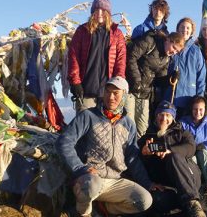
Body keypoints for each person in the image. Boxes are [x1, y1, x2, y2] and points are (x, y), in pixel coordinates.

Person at [55, 77, 156, 217]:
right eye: (107, 92)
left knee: (145, 200)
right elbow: (64, 142)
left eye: (116, 93)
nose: (111, 97)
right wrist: (79, 168)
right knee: (91, 186)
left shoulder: (129, 124)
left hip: (116, 181)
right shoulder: (88, 116)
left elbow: (133, 158)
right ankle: (82, 212)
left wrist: (148, 183)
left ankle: (104, 209)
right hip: (90, 178)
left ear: (124, 96)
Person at [139, 100, 206, 217]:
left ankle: (192, 202)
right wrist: (144, 154)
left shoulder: (182, 133)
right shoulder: (147, 138)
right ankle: (187, 203)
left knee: (173, 157)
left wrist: (170, 151)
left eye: (168, 115)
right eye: (161, 114)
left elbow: (191, 147)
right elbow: (138, 164)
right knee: (156, 200)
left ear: (173, 118)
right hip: (168, 186)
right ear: (156, 116)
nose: (164, 119)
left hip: (189, 178)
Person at [67, 0, 126, 112]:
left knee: (105, 127)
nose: (99, 13)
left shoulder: (116, 34)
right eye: (96, 10)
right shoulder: (82, 31)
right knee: (83, 126)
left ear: (108, 13)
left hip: (108, 92)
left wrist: (118, 84)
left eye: (103, 10)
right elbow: (73, 57)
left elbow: (121, 60)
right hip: (86, 89)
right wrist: (75, 82)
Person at [125, 31, 185, 137]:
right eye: (174, 47)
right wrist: (136, 80)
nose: (174, 52)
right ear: (168, 40)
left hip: (145, 93)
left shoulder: (166, 58)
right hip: (130, 89)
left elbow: (159, 80)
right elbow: (131, 56)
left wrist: (170, 78)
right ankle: (126, 151)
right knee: (128, 124)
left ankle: (137, 151)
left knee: (142, 127)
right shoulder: (150, 42)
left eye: (177, 51)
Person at [165, 18, 206, 116]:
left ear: (192, 31)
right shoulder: (170, 46)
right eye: (182, 27)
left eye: (188, 28)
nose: (185, 30)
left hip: (188, 98)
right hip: (169, 96)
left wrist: (199, 99)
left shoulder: (196, 51)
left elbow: (201, 76)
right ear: (178, 29)